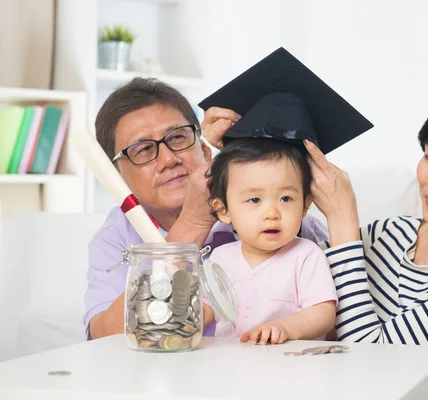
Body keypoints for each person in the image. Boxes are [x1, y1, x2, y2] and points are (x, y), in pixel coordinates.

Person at [204, 80, 428, 399]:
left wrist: (342, 219)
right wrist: (240, 163)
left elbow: (373, 366)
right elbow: (275, 269)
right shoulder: (388, 235)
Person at [84, 77, 329, 340]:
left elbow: (339, 325)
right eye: (143, 149)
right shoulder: (115, 237)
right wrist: (192, 224)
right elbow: (104, 338)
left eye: (177, 137)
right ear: (116, 175)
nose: (168, 159)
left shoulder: (291, 225)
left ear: (205, 149)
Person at [204, 137, 337, 344]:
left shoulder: (307, 255)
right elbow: (206, 308)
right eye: (255, 200)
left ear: (304, 206)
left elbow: (324, 314)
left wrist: (286, 327)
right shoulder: (220, 257)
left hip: (290, 362)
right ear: (223, 210)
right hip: (230, 363)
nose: (272, 213)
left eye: (285, 198)